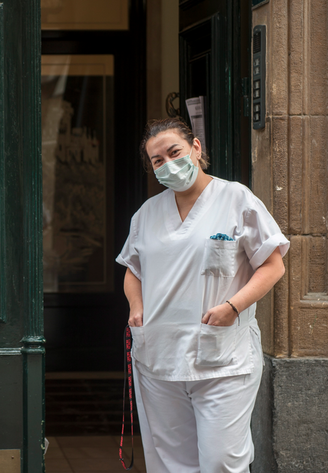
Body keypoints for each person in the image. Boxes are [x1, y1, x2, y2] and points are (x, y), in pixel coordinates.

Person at [116, 117, 288, 472]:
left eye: (173, 152)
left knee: (221, 461)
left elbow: (272, 266)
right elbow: (133, 272)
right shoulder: (147, 213)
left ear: (195, 148)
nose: (167, 163)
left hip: (222, 357)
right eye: (157, 160)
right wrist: (136, 306)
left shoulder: (236, 198)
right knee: (171, 463)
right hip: (159, 359)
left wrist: (234, 306)